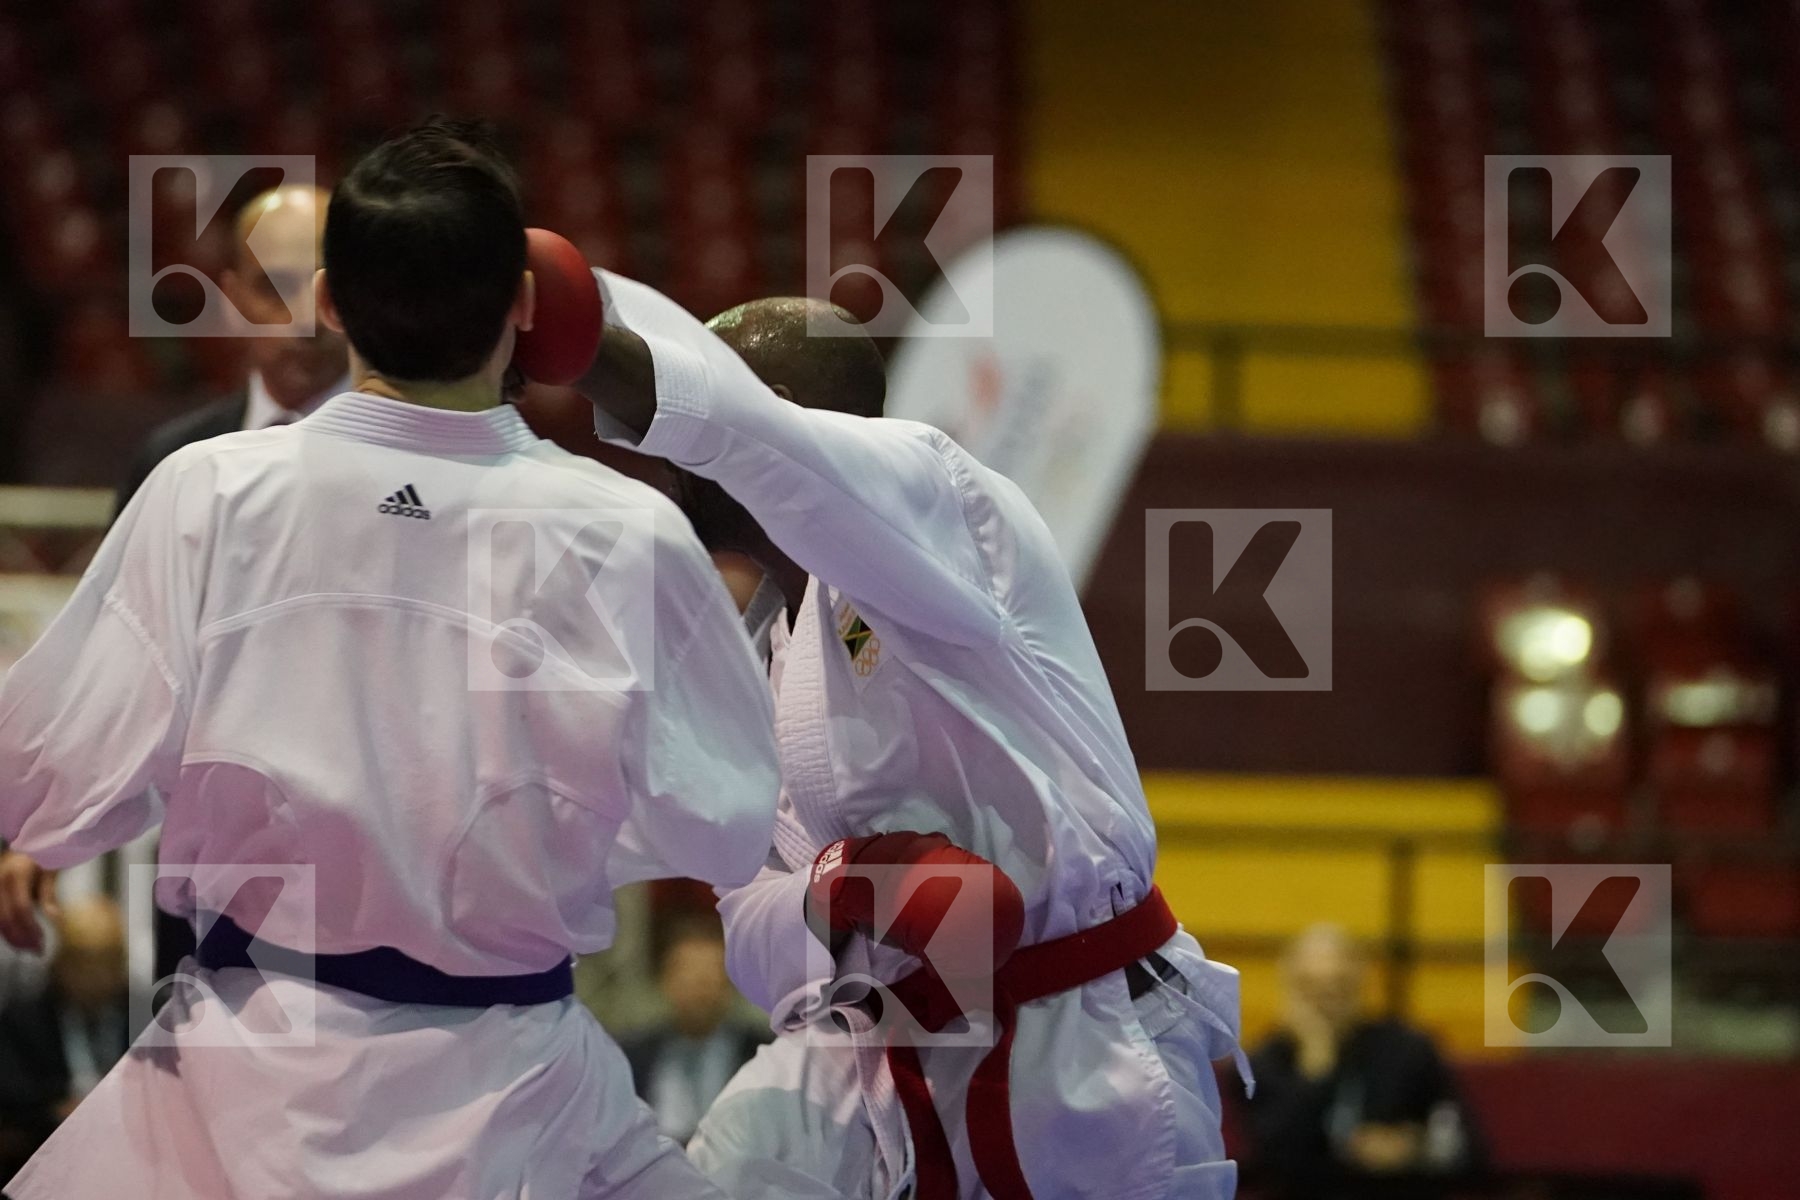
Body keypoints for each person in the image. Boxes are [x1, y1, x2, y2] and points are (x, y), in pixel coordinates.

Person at [0, 119, 780, 1200]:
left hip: (242, 1071)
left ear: (328, 302)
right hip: (517, 1078)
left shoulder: (209, 492)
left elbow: (47, 774)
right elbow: (726, 822)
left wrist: (56, 826)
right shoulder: (626, 532)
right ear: (524, 304)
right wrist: (556, 830)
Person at [576, 280, 1244, 1200]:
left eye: (705, 426)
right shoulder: (761, 647)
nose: (666, 465)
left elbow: (743, 430)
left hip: (1078, 1051)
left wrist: (570, 333)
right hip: (871, 1051)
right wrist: (841, 888)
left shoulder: (949, 505)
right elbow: (750, 928)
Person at [117, 182, 350, 512]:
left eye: (329, 287)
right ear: (233, 300)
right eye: (275, 288)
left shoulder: (412, 455)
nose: (307, 319)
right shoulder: (169, 460)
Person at [1244, 925, 1485, 1199]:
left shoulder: (1408, 1049)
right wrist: (1316, 1067)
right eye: (1313, 989)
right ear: (1290, 990)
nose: (1329, 999)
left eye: (1340, 985)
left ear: (1362, 981)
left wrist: (1411, 1149)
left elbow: (1468, 1149)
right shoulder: (1266, 1062)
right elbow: (1275, 1160)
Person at [0, 898, 130, 1180]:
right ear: (62, 962)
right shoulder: (24, 1021)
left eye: (108, 962)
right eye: (85, 962)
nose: (97, 976)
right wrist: (59, 1113)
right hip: (45, 1168)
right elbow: (11, 1103)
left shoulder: (145, 1021)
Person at [620, 918, 769, 1147]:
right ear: (666, 980)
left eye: (712, 976)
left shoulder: (763, 1056)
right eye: (690, 974)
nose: (701, 988)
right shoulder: (630, 1058)